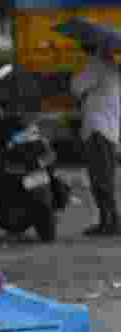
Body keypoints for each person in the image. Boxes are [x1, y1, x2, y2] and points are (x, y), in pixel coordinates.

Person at [72, 42, 120, 236]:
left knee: (100, 177)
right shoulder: (115, 68)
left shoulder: (96, 66)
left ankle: (109, 222)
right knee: (106, 176)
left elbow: (75, 87)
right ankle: (110, 220)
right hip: (110, 129)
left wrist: (79, 72)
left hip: (97, 129)